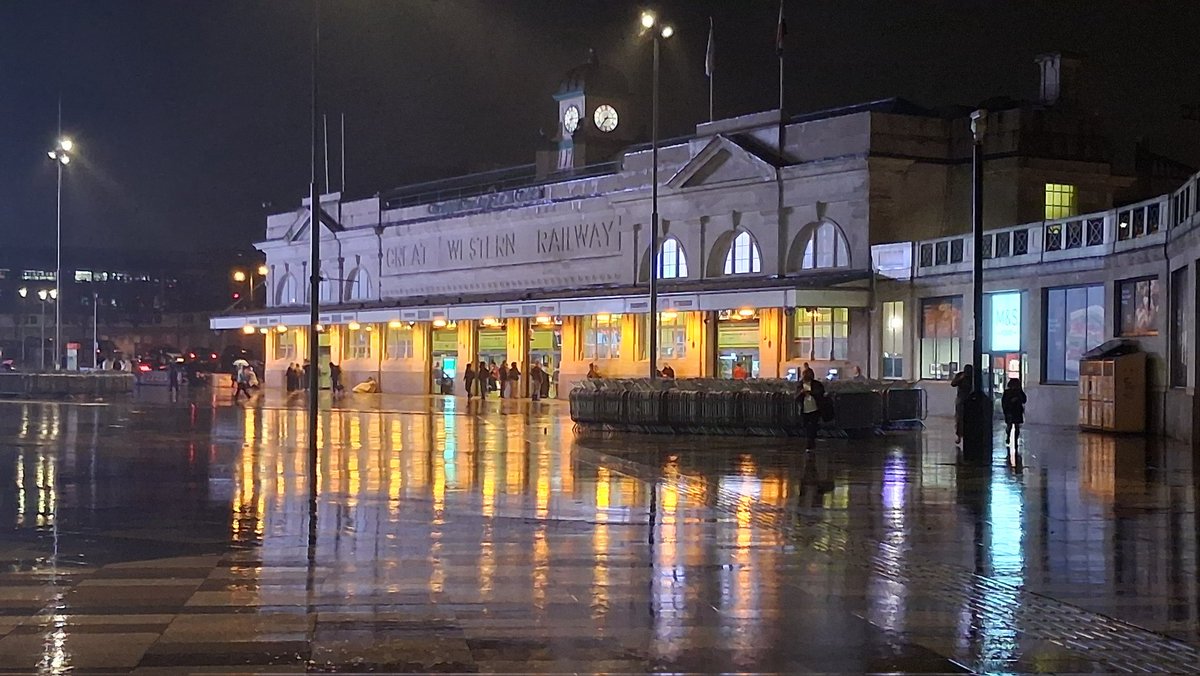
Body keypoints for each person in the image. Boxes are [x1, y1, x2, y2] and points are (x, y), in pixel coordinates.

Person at [798, 368, 825, 450]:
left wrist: (811, 393)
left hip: (814, 409)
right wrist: (801, 393)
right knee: (806, 426)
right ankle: (809, 441)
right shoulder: (800, 385)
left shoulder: (817, 384)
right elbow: (796, 397)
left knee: (813, 426)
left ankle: (810, 443)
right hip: (805, 409)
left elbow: (820, 393)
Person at [950, 364, 974, 445]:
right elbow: (953, 383)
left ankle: (968, 435)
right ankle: (959, 436)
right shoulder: (960, 375)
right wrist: (961, 378)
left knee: (969, 419)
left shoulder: (973, 377)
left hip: (970, 399)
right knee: (960, 418)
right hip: (961, 399)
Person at [1001, 377, 1027, 446]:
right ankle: (1010, 438)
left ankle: (1013, 439)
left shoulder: (1018, 392)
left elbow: (1024, 400)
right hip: (1012, 411)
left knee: (1015, 426)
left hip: (1015, 411)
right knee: (1012, 426)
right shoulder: (1008, 392)